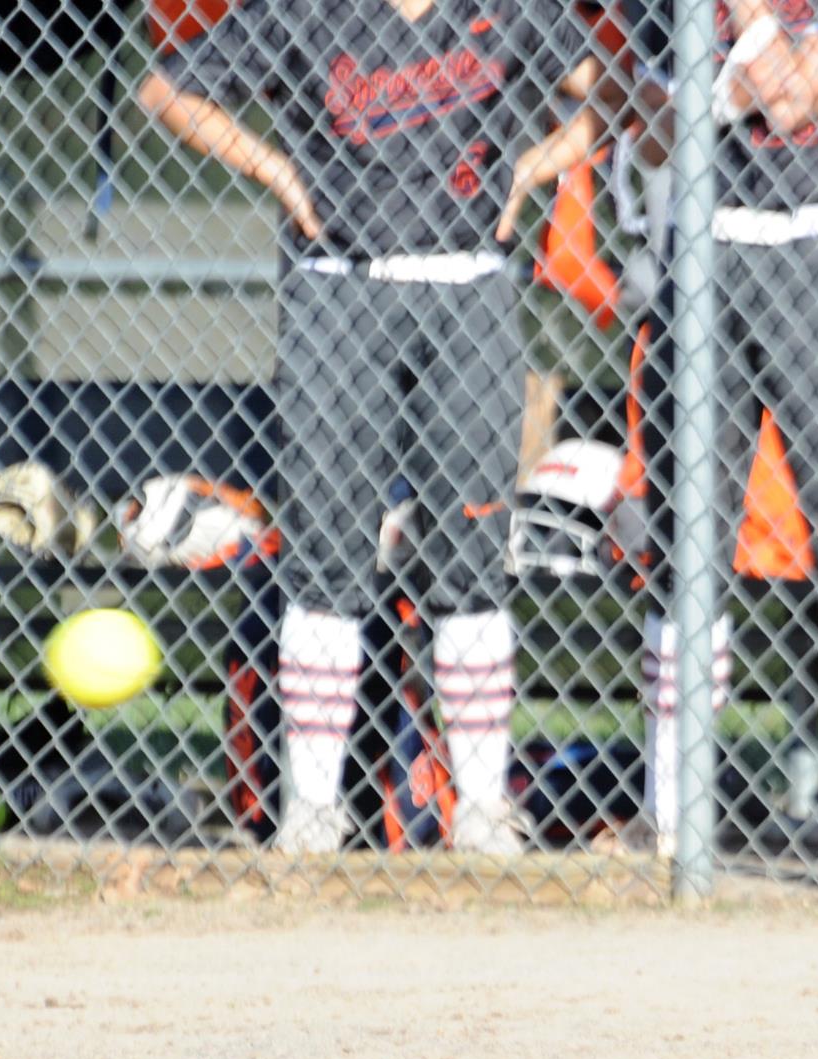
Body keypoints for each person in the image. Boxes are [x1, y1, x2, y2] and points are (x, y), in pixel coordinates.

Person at [138, 0, 602, 855]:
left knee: (469, 551)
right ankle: (312, 808)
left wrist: (530, 168)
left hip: (468, 290)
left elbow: (612, 92)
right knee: (326, 548)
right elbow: (165, 91)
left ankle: (481, 805)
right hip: (338, 286)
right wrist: (278, 171)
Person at [614, 0, 818, 892]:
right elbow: (653, 135)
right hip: (702, 260)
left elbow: (794, 96)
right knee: (688, 544)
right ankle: (673, 818)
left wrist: (742, 38)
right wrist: (695, 93)